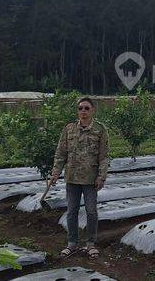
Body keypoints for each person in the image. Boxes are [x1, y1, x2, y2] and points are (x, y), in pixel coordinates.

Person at [49, 97, 109, 258]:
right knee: (71, 211)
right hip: (72, 177)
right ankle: (72, 243)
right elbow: (61, 153)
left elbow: (104, 156)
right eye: (80, 108)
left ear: (93, 110)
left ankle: (91, 244)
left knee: (91, 211)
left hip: (90, 179)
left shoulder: (100, 130)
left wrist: (101, 177)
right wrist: (55, 173)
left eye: (86, 108)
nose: (83, 111)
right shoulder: (69, 129)